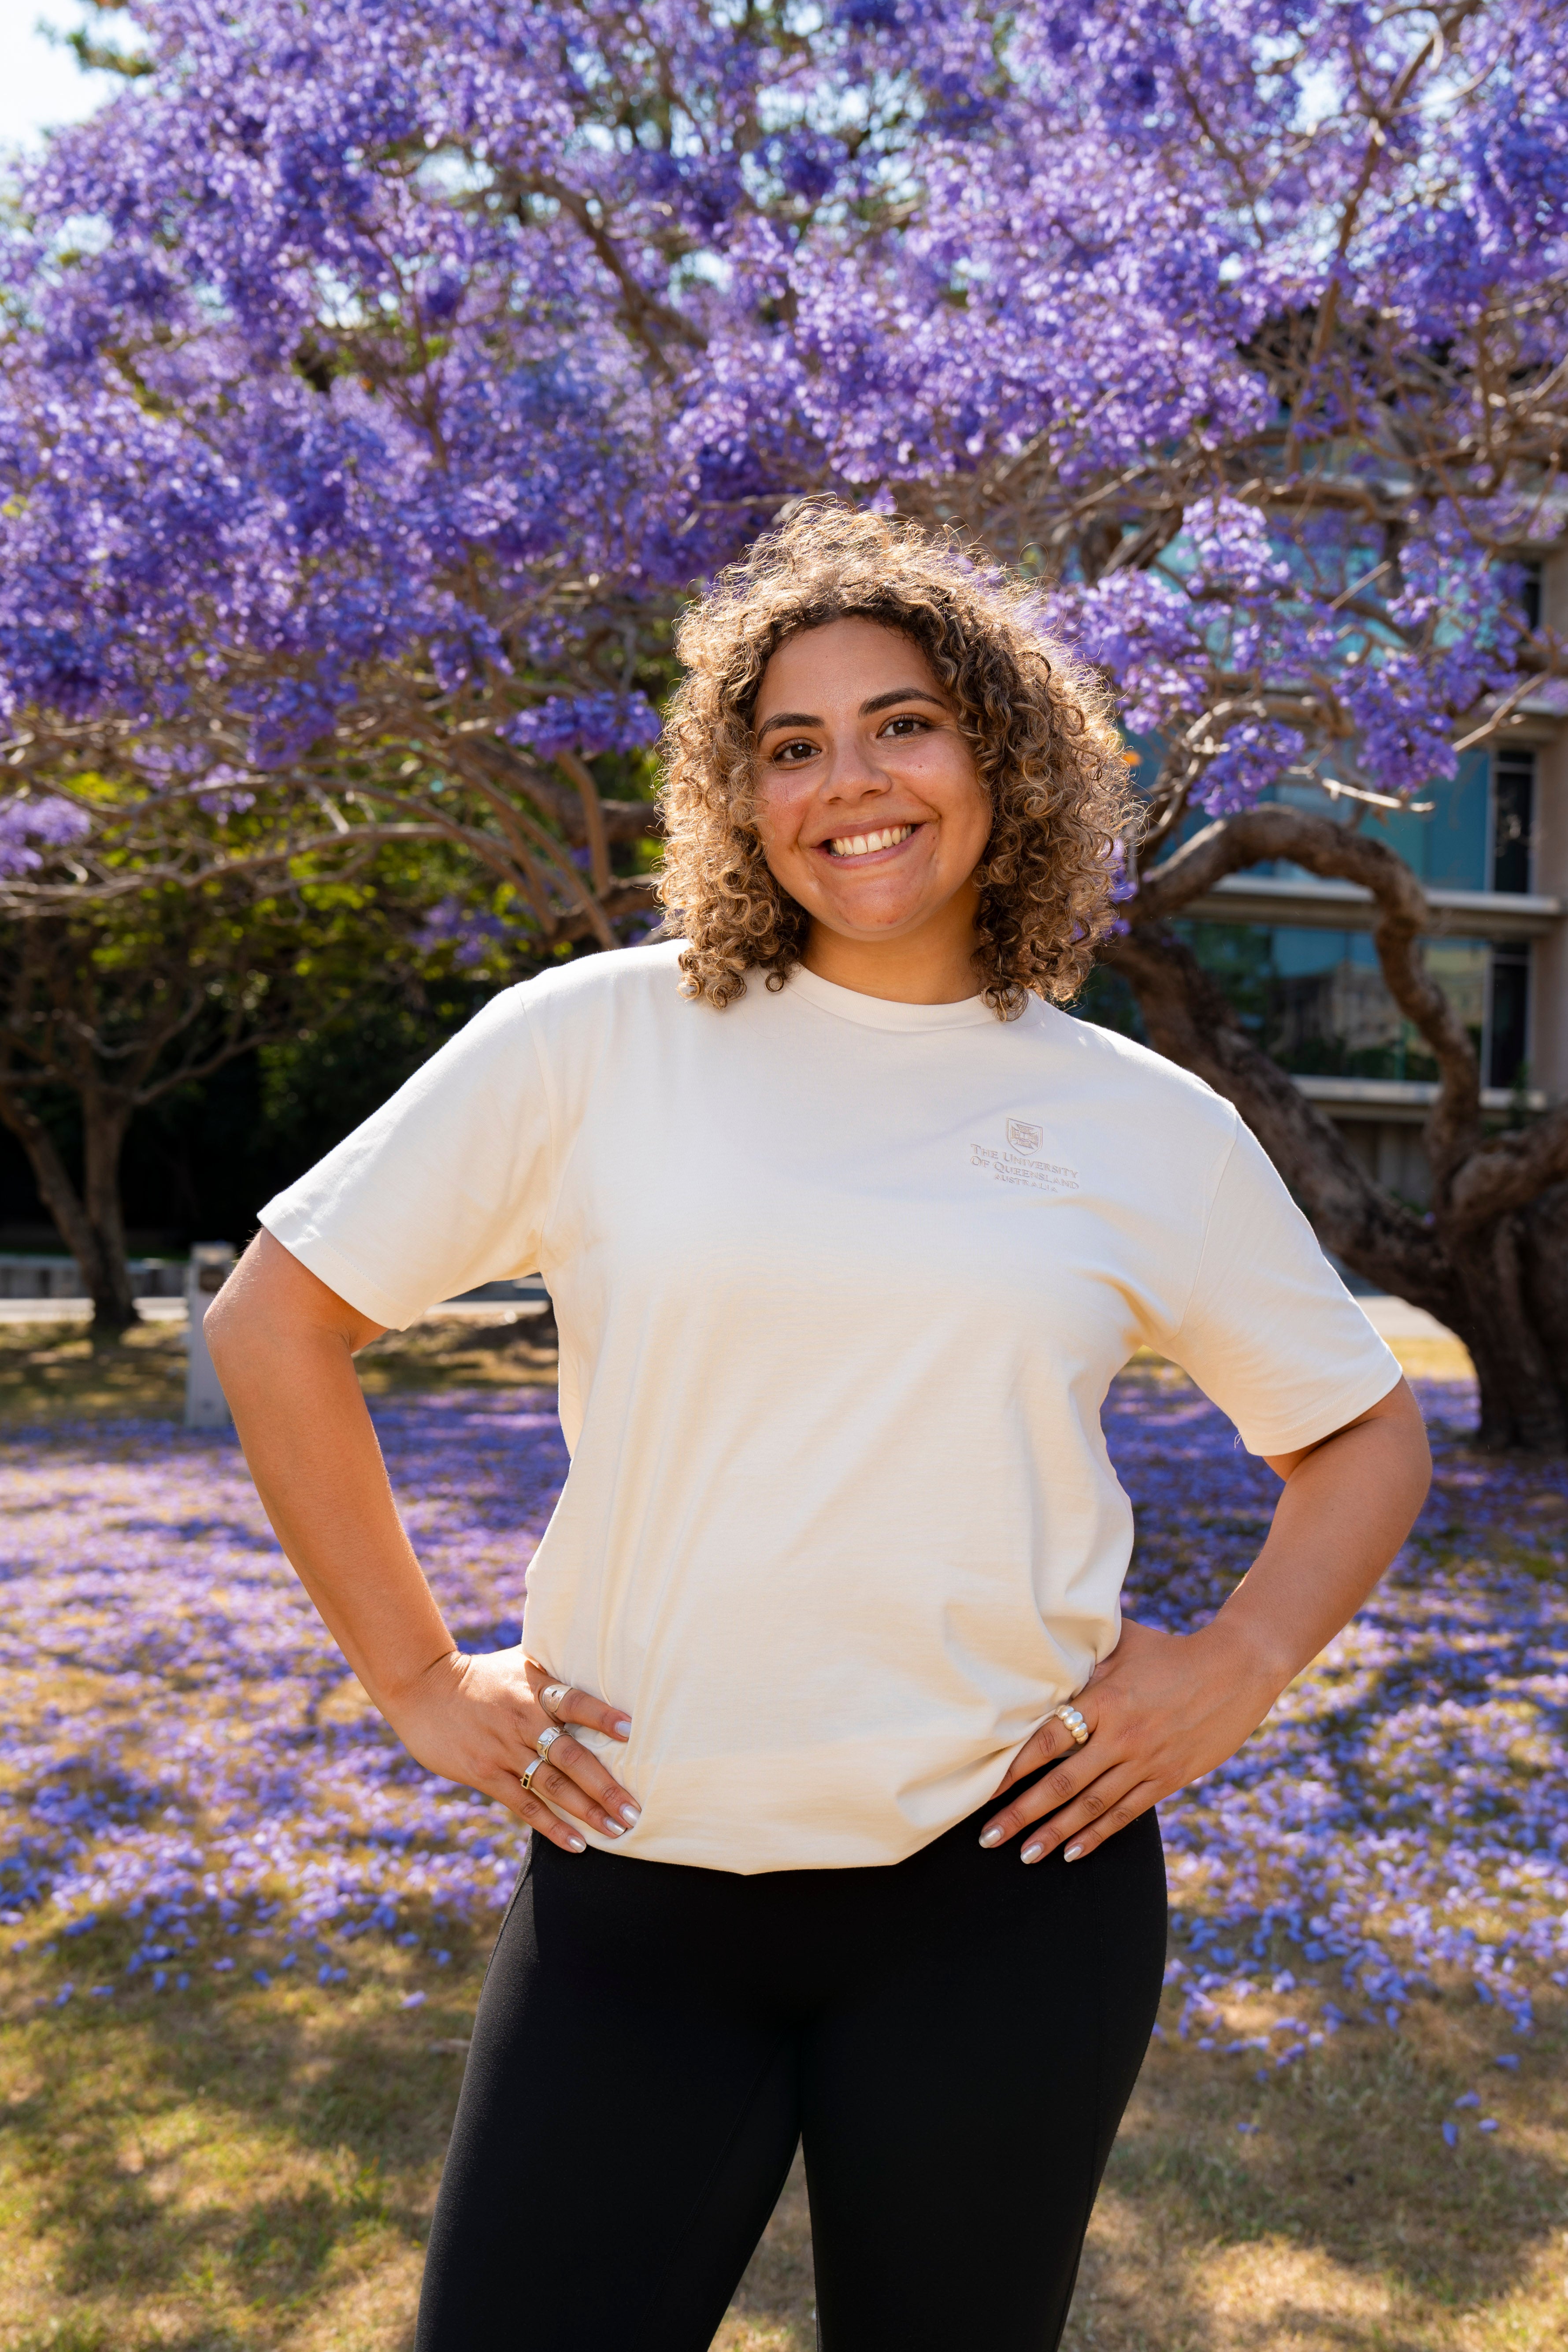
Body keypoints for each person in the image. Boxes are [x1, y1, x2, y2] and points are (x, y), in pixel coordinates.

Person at [208, 502, 1432, 2352]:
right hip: (635, 1886)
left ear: (1002, 762)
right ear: (738, 793)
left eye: (904, 723)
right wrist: (409, 1681)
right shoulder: (596, 1039)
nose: (846, 781)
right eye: (792, 744)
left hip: (1007, 1902)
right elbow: (276, 1319)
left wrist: (1242, 1659)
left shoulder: (1136, 1120)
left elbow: (1357, 1433)